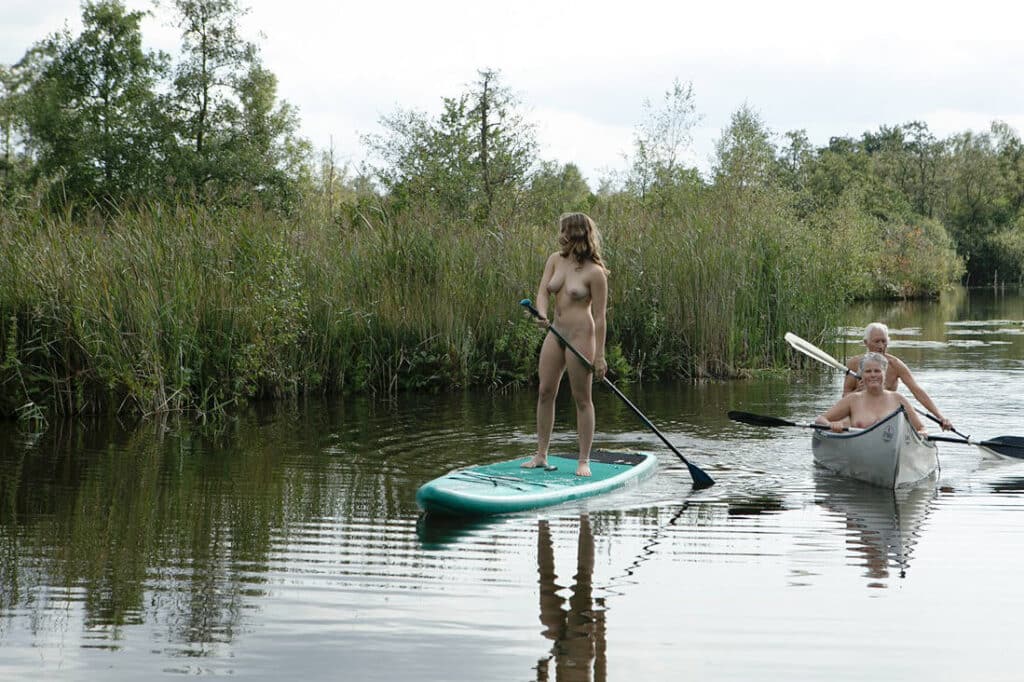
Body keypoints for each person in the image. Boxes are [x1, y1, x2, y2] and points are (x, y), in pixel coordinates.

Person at [522, 212, 609, 477]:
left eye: (564, 231)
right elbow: (542, 292)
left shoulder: (596, 273)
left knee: (582, 399)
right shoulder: (554, 260)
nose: (561, 235)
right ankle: (541, 455)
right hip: (555, 333)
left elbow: (600, 317)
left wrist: (600, 357)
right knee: (545, 391)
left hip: (581, 337)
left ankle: (584, 460)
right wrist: (541, 313)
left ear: (575, 233)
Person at [843, 322, 954, 431]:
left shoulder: (896, 365)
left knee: (918, 427)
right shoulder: (854, 364)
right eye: (877, 341)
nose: (881, 346)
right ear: (866, 342)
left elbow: (917, 391)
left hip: (887, 416)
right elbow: (844, 397)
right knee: (844, 423)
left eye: (884, 341)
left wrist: (941, 417)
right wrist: (858, 391)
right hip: (861, 414)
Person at [818, 352, 928, 434]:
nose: (873, 375)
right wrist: (831, 425)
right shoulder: (852, 399)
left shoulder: (898, 399)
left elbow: (921, 428)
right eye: (868, 371)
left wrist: (922, 434)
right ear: (862, 375)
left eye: (877, 371)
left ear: (884, 373)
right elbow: (820, 420)